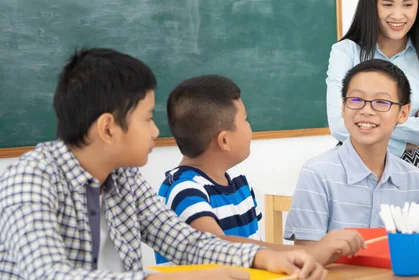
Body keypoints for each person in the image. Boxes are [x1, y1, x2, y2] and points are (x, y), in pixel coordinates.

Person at [0, 48, 326, 280]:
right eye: (146, 119)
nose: (156, 130)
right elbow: (47, 274)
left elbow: (183, 242)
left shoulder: (124, 177)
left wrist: (265, 257)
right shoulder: (30, 179)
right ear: (108, 128)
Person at [155, 75, 365, 266]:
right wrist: (310, 252)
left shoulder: (239, 185)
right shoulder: (183, 189)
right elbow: (215, 246)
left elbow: (255, 247)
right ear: (225, 140)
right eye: (245, 120)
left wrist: (310, 254)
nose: (249, 128)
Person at [326, 0, 419, 201]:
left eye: (407, 5)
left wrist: (369, 122)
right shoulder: (346, 52)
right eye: (387, 4)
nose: (398, 14)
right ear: (372, 6)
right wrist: (407, 134)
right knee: (356, 237)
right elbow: (339, 125)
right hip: (352, 165)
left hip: (412, 169)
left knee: (413, 237)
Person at [285, 59, 419, 243]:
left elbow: (415, 249)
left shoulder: (413, 179)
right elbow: (306, 255)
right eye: (356, 100)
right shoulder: (317, 174)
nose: (366, 110)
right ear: (343, 107)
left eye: (382, 102)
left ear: (403, 113)